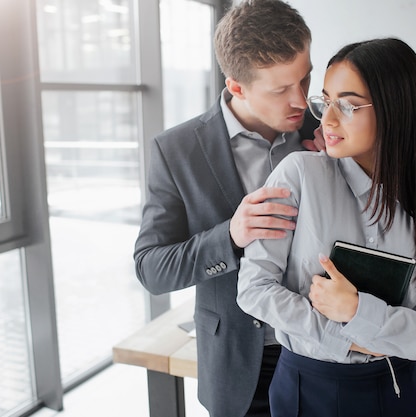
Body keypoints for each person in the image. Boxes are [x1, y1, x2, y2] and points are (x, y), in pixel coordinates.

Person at [237, 37, 416, 417]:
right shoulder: (298, 175)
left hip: (396, 390)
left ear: (395, 109)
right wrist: (345, 335)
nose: (328, 120)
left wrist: (358, 312)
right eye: (326, 101)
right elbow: (254, 289)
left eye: (348, 105)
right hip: (306, 387)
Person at [133, 1, 320, 416]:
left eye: (305, 79)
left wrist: (345, 166)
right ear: (236, 86)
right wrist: (230, 237)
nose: (301, 99)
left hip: (325, 355)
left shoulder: (326, 132)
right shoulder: (176, 150)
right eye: (280, 89)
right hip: (240, 369)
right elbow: (151, 268)